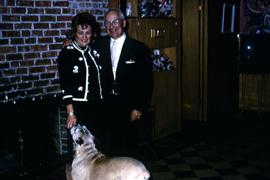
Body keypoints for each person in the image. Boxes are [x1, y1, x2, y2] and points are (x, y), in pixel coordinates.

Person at [94, 9, 153, 156]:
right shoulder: (98, 45)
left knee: (127, 148)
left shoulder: (139, 48)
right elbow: (81, 46)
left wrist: (138, 107)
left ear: (124, 23)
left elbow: (145, 81)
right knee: (107, 148)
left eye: (115, 21)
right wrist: (69, 43)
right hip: (105, 105)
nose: (111, 26)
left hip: (128, 106)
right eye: (107, 23)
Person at [57, 12, 104, 163]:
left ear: (92, 33)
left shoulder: (95, 51)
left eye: (88, 33)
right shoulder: (67, 53)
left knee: (97, 152)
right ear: (74, 33)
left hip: (98, 106)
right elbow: (65, 84)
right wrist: (71, 112)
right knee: (82, 154)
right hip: (79, 108)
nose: (84, 37)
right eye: (80, 33)